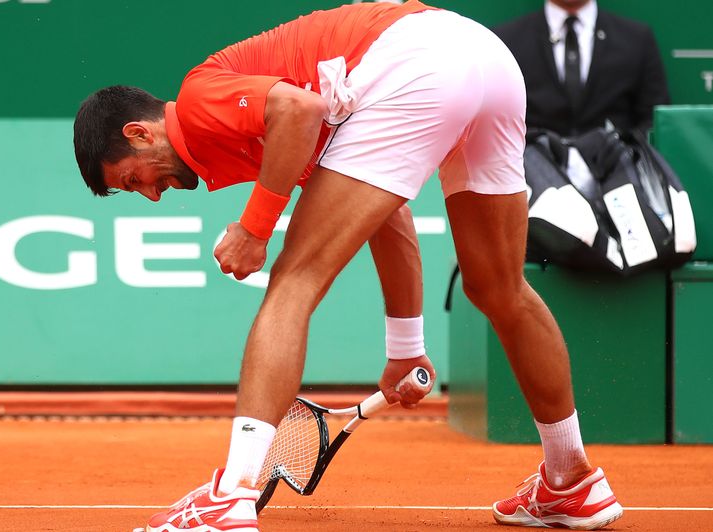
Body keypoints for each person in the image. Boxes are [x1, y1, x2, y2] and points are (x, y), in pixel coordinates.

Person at [73, 1, 622, 530]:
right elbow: (392, 218)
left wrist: (254, 229)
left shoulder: (198, 101)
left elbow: (299, 109)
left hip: (418, 60)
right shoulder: (263, 130)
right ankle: (570, 478)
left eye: (132, 179)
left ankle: (231, 494)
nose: (150, 195)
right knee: (500, 287)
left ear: (139, 133)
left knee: (292, 283)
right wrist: (404, 349)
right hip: (488, 61)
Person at [493, 0, 670, 137]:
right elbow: (496, 123)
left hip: (618, 174)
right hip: (533, 174)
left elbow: (654, 121)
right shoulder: (507, 42)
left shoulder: (636, 40)